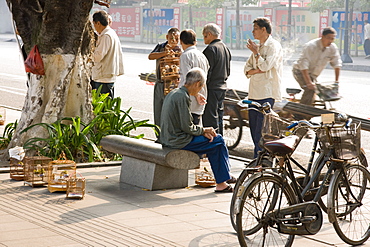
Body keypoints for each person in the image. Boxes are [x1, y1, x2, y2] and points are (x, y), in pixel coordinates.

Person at [160, 68, 234, 192]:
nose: (200, 90)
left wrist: (204, 131)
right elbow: (187, 127)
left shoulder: (175, 93)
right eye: (201, 87)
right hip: (177, 141)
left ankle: (223, 179)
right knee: (218, 140)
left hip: (168, 138)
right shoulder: (183, 97)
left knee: (213, 143)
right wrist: (204, 130)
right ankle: (223, 180)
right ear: (197, 84)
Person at [244, 17, 283, 158]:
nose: (252, 31)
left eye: (255, 28)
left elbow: (266, 66)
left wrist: (256, 54)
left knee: (261, 133)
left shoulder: (273, 46)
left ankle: (261, 161)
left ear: (263, 29)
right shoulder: (258, 46)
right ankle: (258, 160)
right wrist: (256, 69)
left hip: (266, 94)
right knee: (253, 131)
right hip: (253, 93)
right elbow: (246, 70)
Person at [292, 27, 342, 112]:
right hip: (300, 71)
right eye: (328, 38)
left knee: (321, 90)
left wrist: (336, 82)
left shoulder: (332, 48)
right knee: (310, 89)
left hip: (313, 74)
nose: (330, 41)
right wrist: (308, 82)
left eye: (332, 39)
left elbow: (337, 64)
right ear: (322, 36)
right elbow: (303, 65)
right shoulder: (311, 46)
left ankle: (310, 110)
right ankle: (301, 114)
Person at [202, 23, 231, 135]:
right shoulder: (225, 48)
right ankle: (220, 141)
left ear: (209, 34)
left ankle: (213, 145)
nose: (204, 39)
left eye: (205, 36)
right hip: (222, 87)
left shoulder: (210, 49)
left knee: (210, 119)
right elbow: (228, 71)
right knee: (219, 117)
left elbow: (206, 73)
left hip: (212, 88)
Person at [148, 28, 181, 127]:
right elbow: (150, 56)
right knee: (158, 110)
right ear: (167, 37)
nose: (174, 41)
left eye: (177, 39)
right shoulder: (161, 47)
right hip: (160, 83)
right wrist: (165, 53)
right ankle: (159, 135)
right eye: (171, 38)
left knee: (171, 112)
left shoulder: (179, 49)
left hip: (173, 84)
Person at [179, 29, 210, 125]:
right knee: (196, 125)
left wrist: (196, 94)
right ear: (195, 41)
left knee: (186, 128)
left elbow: (188, 79)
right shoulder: (202, 56)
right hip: (202, 95)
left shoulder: (185, 56)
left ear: (181, 41)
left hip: (190, 97)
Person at [91, 10, 124, 98]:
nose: (94, 27)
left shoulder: (106, 36)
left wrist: (88, 53)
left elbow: (98, 57)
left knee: (103, 105)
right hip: (107, 76)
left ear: (98, 23)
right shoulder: (111, 33)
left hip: (103, 77)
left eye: (94, 24)